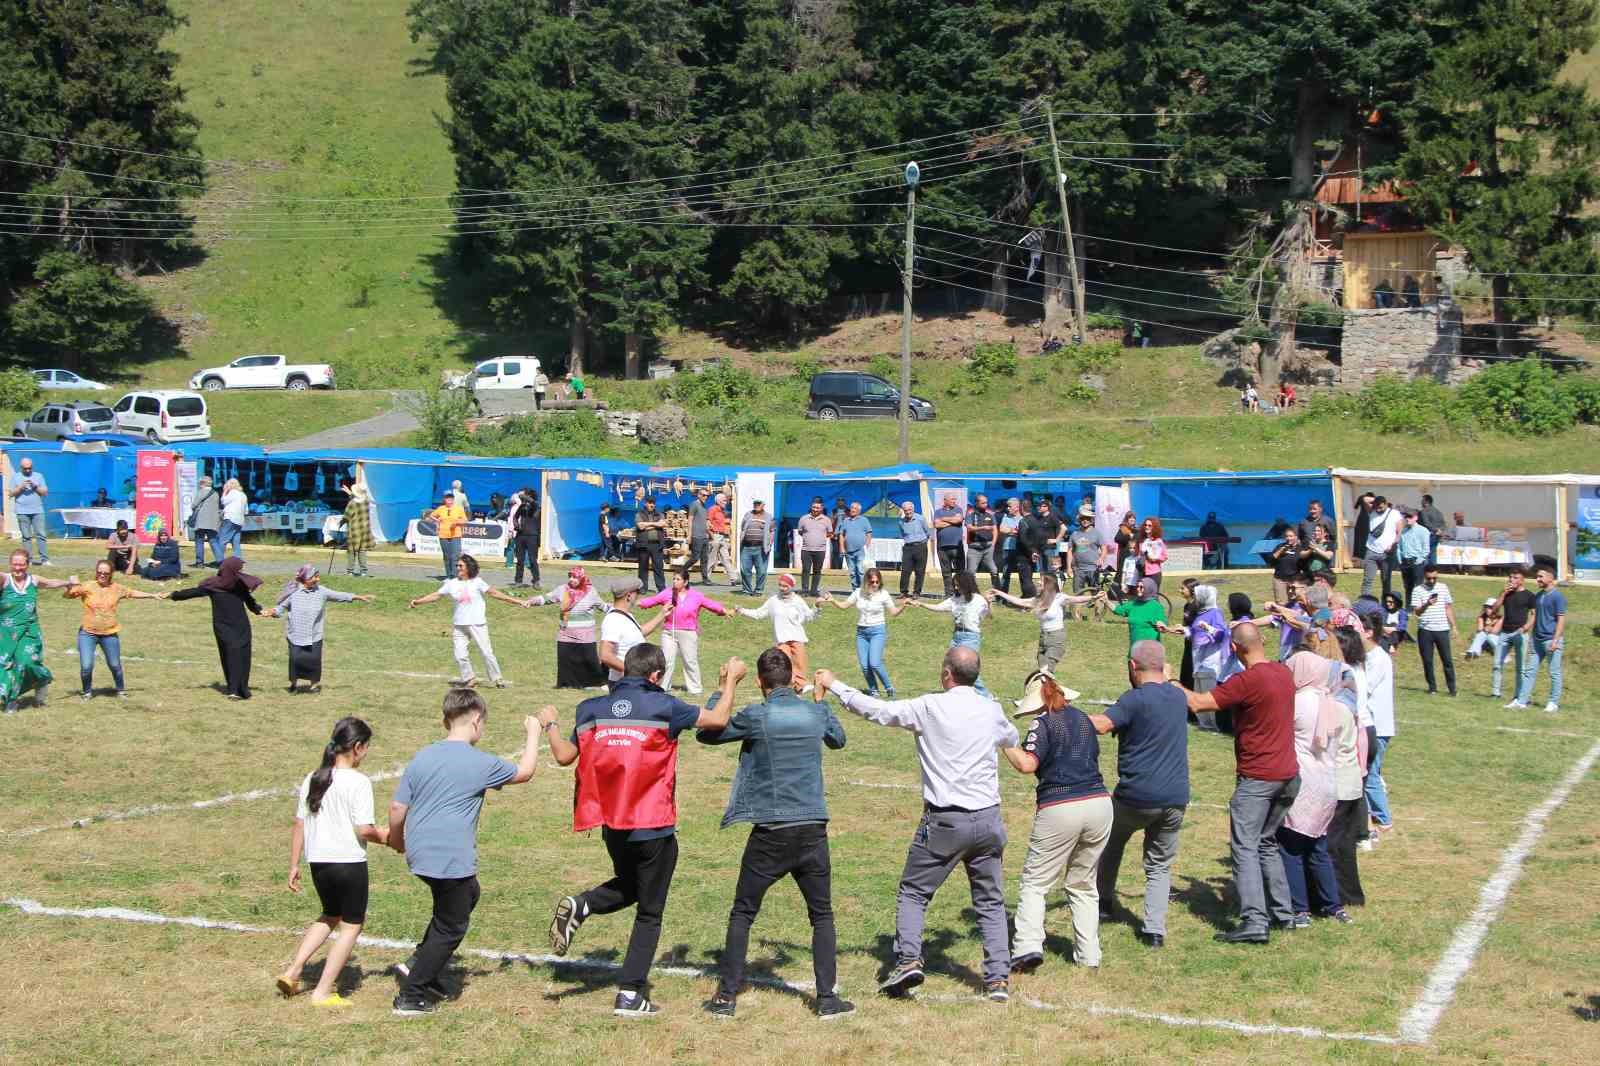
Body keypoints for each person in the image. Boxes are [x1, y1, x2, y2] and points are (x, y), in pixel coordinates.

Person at [543, 646, 745, 1018]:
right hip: (652, 823)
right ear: (655, 676)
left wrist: (550, 724)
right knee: (649, 912)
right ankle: (631, 993)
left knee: (633, 884)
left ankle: (584, 904)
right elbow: (717, 719)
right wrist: (730, 680)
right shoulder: (664, 706)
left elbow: (563, 756)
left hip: (611, 824)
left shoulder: (590, 710)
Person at [817, 647, 1019, 1002]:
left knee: (914, 891)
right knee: (990, 901)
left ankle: (909, 959)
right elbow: (1011, 739)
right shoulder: (991, 710)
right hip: (988, 820)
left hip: (946, 821)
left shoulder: (929, 707)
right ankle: (998, 979)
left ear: (946, 674)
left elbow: (878, 711)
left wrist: (835, 686)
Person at [697, 648, 854, 1020]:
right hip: (812, 828)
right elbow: (838, 739)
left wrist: (724, 686)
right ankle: (827, 998)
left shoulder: (757, 714)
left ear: (759, 682)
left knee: (743, 912)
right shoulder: (815, 712)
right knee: (822, 915)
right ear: (791, 677)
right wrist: (818, 700)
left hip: (770, 831)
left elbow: (707, 733)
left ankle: (727, 997)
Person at [388, 690, 548, 1016]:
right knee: (452, 925)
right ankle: (412, 994)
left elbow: (396, 806)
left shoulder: (423, 756)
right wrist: (533, 733)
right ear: (476, 720)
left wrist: (397, 840)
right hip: (450, 858)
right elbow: (525, 771)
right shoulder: (480, 762)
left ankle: (420, 964)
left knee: (466, 895)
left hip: (420, 853)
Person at [1181, 623, 1300, 943]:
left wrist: (1169, 682)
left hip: (1258, 778)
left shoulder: (1246, 681)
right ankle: (1283, 913)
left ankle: (1254, 921)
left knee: (1245, 846)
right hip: (1289, 775)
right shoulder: (1282, 673)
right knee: (1266, 842)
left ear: (1234, 649)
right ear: (1262, 641)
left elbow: (1198, 703)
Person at [1003, 672, 1112, 973]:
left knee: (1036, 882)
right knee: (1083, 884)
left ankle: (1027, 946)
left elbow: (1027, 764)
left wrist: (1003, 741)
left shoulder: (1042, 723)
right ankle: (1089, 955)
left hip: (1061, 806)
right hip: (1100, 804)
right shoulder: (1084, 720)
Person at [277, 716, 390, 1008]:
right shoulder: (359, 782)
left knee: (329, 914)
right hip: (348, 863)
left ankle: (293, 971)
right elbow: (364, 829)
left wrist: (293, 865)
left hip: (318, 863)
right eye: (366, 747)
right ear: (357, 747)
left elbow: (299, 823)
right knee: (352, 925)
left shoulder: (313, 777)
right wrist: (387, 837)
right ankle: (323, 991)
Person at [1086, 641, 1190, 947]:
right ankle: (1154, 930)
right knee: (1159, 864)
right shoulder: (1178, 696)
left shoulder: (1134, 699)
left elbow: (1103, 725)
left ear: (1133, 667)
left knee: (1110, 842)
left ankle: (1103, 901)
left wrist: (1063, 713)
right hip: (1175, 797)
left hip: (1135, 796)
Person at [1274, 652, 1350, 929]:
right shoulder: (1330, 700)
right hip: (1327, 781)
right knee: (1317, 846)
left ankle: (1299, 908)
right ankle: (1333, 906)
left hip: (1302, 780)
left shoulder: (1298, 701)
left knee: (1291, 846)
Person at [407, 555, 530, 688]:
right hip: (459, 625)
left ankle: (497, 679)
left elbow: (495, 594)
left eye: (461, 566)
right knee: (460, 654)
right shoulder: (451, 583)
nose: (457, 568)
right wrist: (417, 602)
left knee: (486, 652)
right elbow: (436, 595)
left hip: (477, 624)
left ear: (468, 568)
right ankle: (469, 678)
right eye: (457, 566)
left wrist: (519, 602)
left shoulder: (478, 582)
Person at [63, 559, 162, 700]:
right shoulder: (87, 586)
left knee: (115, 665)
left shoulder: (117, 588)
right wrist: (68, 587)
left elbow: (132, 592)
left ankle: (120, 691)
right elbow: (68, 595)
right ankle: (87, 692)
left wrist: (152, 595)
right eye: (99, 572)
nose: (102, 575)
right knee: (86, 666)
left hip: (109, 633)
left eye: (105, 573)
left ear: (111, 574)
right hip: (87, 633)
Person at [169, 557, 265, 700]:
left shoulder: (239, 584)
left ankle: (242, 688)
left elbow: (249, 601)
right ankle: (233, 690)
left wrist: (259, 611)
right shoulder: (213, 585)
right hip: (223, 626)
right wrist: (173, 595)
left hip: (241, 626)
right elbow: (193, 592)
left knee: (243, 656)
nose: (241, 572)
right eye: (239, 569)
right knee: (230, 655)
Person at [269, 565, 375, 694]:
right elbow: (281, 607)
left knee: (314, 660)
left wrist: (357, 597)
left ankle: (313, 686)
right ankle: (294, 685)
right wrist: (272, 612)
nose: (318, 579)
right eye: (314, 577)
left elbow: (338, 595)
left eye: (318, 576)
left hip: (314, 635)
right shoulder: (293, 592)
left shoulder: (322, 591)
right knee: (295, 660)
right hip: (296, 635)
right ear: (305, 579)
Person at [1326, 627, 1370, 904]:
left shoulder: (1345, 675)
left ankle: (1338, 893)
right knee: (1343, 835)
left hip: (1346, 752)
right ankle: (1350, 893)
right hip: (1354, 750)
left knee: (1335, 836)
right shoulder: (1353, 672)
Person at [639, 567, 727, 696]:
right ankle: (663, 687)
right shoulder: (667, 593)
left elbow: (711, 604)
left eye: (678, 579)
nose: (674, 581)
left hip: (688, 632)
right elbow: (652, 600)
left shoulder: (696, 595)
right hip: (669, 632)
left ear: (685, 582)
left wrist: (724, 610)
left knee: (690, 660)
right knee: (666, 660)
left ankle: (695, 689)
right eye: (673, 579)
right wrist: (637, 603)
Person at [904, 570, 994, 697]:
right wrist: (921, 604)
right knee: (951, 665)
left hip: (970, 638)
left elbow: (989, 616)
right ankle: (955, 693)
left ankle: (986, 696)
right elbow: (939, 607)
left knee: (968, 668)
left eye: (958, 585)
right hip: (957, 637)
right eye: (955, 585)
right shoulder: (955, 599)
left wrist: (989, 603)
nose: (956, 587)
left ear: (966, 584)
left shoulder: (978, 599)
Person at [819, 566, 906, 697]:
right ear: (866, 581)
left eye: (877, 582)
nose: (875, 584)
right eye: (872, 582)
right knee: (865, 666)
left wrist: (904, 605)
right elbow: (844, 606)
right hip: (862, 633)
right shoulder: (858, 592)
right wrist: (833, 600)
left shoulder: (883, 594)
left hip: (877, 631)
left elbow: (893, 612)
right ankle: (874, 690)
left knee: (875, 663)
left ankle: (889, 688)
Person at [990, 573, 1094, 675]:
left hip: (1056, 638)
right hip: (1043, 639)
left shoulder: (1059, 598)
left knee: (1046, 671)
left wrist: (1094, 597)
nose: (1038, 582)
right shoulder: (1038, 600)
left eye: (1041, 581)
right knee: (1043, 671)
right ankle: (1048, 691)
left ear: (1048, 584)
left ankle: (1052, 691)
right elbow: (1019, 601)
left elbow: (1077, 599)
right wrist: (999, 593)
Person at [738, 573, 817, 687]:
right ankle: (787, 687)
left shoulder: (798, 600)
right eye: (780, 585)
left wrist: (817, 606)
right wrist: (742, 611)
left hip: (797, 638)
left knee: (800, 663)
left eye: (785, 586)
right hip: (782, 640)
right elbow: (759, 613)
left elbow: (810, 616)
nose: (782, 588)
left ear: (792, 586)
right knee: (784, 665)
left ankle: (800, 687)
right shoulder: (773, 601)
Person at [536, 567, 608, 688]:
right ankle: (566, 684)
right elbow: (546, 598)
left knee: (591, 660)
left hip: (586, 636)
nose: (571, 579)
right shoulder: (562, 590)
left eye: (575, 577)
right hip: (565, 634)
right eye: (570, 576)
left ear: (582, 578)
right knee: (565, 661)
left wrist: (618, 609)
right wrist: (531, 601)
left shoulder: (591, 591)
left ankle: (598, 683)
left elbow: (603, 606)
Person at [1509, 563, 1566, 713]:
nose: (1537, 579)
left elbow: (1561, 620)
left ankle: (1553, 703)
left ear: (1550, 578)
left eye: (1541, 576)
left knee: (1554, 672)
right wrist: (1526, 628)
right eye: (1537, 576)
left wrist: (1555, 640)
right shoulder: (1539, 595)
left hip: (1551, 640)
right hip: (1537, 639)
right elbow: (1535, 616)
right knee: (1529, 671)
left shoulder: (1557, 596)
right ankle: (1521, 701)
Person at [1180, 584, 1230, 730]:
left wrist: (1209, 628)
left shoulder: (1215, 613)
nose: (1194, 599)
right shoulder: (1200, 613)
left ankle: (1215, 724)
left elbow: (1222, 635)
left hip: (1210, 658)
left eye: (1197, 596)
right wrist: (1183, 630)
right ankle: (1204, 723)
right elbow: (1194, 632)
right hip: (1198, 657)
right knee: (1199, 689)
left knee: (1209, 691)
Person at [1410, 564, 1457, 696]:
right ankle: (1432, 687)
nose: (1432, 581)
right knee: (1427, 660)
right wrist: (1427, 604)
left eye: (1434, 578)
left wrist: (1454, 626)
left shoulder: (1443, 588)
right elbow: (1417, 612)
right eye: (1429, 578)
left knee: (1447, 660)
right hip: (1425, 630)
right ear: (1424, 576)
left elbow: (1448, 607)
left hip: (1442, 629)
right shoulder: (1417, 590)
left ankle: (1452, 688)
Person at [1490, 570, 1537, 701]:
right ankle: (1495, 693)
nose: (1511, 580)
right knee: (1497, 664)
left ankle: (1519, 696)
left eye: (1515, 578)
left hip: (1520, 633)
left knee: (1520, 667)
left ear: (1522, 580)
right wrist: (1503, 595)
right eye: (1510, 577)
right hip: (1504, 633)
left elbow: (1534, 614)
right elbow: (1494, 610)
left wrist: (1526, 628)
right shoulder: (1506, 593)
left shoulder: (1529, 596)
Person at [1014, 497, 1057, 600]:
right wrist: (1036, 551)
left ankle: (1031, 599)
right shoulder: (1036, 521)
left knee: (1025, 578)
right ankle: (1026, 597)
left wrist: (1032, 550)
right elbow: (1040, 538)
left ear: (1021, 508)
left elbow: (1023, 539)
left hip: (1024, 554)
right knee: (1029, 576)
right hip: (1034, 554)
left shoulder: (1023, 521)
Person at [9, 457, 49, 565]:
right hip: (22, 511)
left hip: (37, 510)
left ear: (32, 467)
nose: (27, 470)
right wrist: (21, 487)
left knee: (41, 535)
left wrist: (35, 486)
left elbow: (45, 493)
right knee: (26, 537)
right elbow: (11, 494)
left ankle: (45, 559)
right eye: (25, 468)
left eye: (29, 468)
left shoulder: (39, 476)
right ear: (21, 467)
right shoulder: (15, 477)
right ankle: (29, 560)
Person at [1360, 496, 1401, 599]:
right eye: (1376, 507)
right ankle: (1365, 601)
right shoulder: (1372, 511)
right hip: (1371, 550)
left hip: (1387, 553)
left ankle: (1385, 604)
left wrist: (1393, 544)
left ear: (1386, 504)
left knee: (1386, 581)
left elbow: (1399, 532)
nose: (1378, 509)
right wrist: (1376, 500)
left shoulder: (1394, 513)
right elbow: (1364, 499)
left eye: (1381, 507)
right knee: (1367, 580)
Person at [1113, 578, 1167, 652]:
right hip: (1134, 647)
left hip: (1150, 650)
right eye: (1137, 586)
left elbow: (1163, 625)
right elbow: (1118, 610)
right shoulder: (1134, 603)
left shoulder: (1156, 606)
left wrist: (1161, 625)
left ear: (1149, 588)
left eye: (1141, 587)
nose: (1138, 589)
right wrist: (1106, 600)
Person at [796, 497, 834, 597]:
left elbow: (830, 533)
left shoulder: (827, 520)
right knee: (805, 570)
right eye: (814, 507)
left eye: (817, 507)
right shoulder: (803, 518)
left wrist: (819, 538)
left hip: (820, 550)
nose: (815, 509)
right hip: (806, 550)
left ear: (822, 508)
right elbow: (800, 532)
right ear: (811, 507)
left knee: (817, 571)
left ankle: (813, 591)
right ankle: (804, 590)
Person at [931, 492, 966, 596]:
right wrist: (952, 521)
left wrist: (944, 520)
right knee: (946, 572)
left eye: (955, 499)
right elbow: (936, 524)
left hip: (956, 546)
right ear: (945, 500)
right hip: (942, 547)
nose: (954, 501)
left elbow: (959, 519)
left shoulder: (958, 509)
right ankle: (949, 593)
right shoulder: (938, 512)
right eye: (952, 499)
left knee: (959, 571)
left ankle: (960, 592)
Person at [426, 491, 466, 581]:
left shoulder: (458, 509)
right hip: (443, 535)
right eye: (448, 498)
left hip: (455, 534)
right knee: (447, 556)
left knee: (455, 555)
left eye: (451, 498)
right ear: (444, 499)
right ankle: (448, 575)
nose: (449, 500)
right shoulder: (441, 508)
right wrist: (437, 521)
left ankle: (454, 575)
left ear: (453, 499)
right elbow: (431, 515)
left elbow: (464, 520)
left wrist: (456, 522)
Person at [738, 498, 775, 596]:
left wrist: (770, 543)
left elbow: (772, 531)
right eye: (755, 503)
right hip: (746, 547)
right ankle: (747, 590)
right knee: (745, 570)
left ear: (763, 505)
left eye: (759, 503)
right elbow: (743, 528)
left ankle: (758, 590)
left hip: (760, 548)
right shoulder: (748, 514)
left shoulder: (768, 517)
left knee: (761, 571)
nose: (756, 505)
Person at [340, 479, 375, 578]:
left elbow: (346, 516)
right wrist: (349, 493)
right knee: (362, 550)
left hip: (354, 531)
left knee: (352, 551)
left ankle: (350, 571)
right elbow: (358, 498)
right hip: (365, 530)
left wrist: (341, 523)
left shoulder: (352, 504)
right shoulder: (367, 500)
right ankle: (364, 571)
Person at [836, 501, 874, 591]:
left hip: (860, 550)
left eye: (855, 508)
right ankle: (855, 590)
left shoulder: (864, 520)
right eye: (852, 508)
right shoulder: (845, 520)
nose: (853, 510)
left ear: (859, 511)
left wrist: (866, 546)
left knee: (861, 571)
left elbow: (869, 534)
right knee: (852, 572)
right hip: (848, 551)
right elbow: (841, 534)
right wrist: (841, 547)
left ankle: (863, 590)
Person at [897, 499, 931, 598]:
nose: (908, 512)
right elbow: (903, 534)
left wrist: (922, 542)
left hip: (920, 546)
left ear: (913, 509)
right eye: (906, 510)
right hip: (908, 548)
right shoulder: (901, 522)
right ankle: (903, 592)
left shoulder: (921, 519)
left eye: (909, 510)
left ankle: (916, 592)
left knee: (920, 571)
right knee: (905, 570)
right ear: (903, 510)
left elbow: (927, 532)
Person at [633, 497, 668, 593]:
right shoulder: (639, 514)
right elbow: (640, 526)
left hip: (657, 545)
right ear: (645, 503)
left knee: (658, 567)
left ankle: (661, 588)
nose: (652, 505)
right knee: (643, 567)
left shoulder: (659, 514)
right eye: (649, 503)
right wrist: (655, 524)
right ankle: (643, 588)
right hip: (644, 544)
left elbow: (663, 524)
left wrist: (646, 525)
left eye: (653, 503)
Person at [1397, 509, 1431, 604]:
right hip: (1405, 561)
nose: (1407, 519)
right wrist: (1400, 559)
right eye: (1406, 517)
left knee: (1418, 586)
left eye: (1410, 517)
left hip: (1416, 561)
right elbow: (1399, 547)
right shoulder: (1403, 531)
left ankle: (1419, 606)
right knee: (1407, 586)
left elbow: (1426, 548)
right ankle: (1409, 608)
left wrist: (1419, 560)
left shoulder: (1423, 531)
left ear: (1416, 518)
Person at [188, 475, 222, 567]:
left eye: (200, 483)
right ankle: (221, 561)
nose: (199, 485)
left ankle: (199, 562)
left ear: (203, 483)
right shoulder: (216, 493)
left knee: (199, 541)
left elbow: (193, 505)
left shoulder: (201, 492)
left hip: (201, 522)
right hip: (213, 522)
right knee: (213, 541)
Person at [965, 494, 999, 585]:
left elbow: (995, 529)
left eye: (986, 503)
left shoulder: (990, 514)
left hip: (988, 547)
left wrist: (993, 543)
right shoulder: (970, 514)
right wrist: (983, 528)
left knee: (994, 569)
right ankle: (972, 594)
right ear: (977, 503)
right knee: (971, 571)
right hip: (974, 547)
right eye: (983, 503)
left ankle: (998, 594)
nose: (986, 505)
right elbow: (969, 528)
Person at [1066, 513, 1102, 596]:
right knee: (1077, 595)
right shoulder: (1074, 534)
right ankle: (1078, 609)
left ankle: (1096, 609)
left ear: (1091, 520)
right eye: (1082, 519)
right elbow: (1070, 551)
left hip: (1093, 569)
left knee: (1096, 595)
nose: (1085, 520)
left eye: (1087, 518)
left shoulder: (1097, 533)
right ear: (1079, 520)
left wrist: (1101, 558)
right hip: (1078, 569)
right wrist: (1068, 567)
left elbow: (1104, 548)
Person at [996, 498, 1026, 593]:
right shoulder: (1005, 517)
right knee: (1005, 573)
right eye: (1007, 506)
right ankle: (1003, 596)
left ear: (1017, 507)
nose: (1008, 508)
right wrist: (1014, 531)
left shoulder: (1023, 519)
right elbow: (1001, 529)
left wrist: (1010, 531)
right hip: (1008, 549)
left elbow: (1023, 533)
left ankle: (1025, 595)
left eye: (1010, 506)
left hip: (1020, 550)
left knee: (1023, 574)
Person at [1269, 527, 1302, 606]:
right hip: (1280, 579)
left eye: (1291, 536)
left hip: (1294, 580)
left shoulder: (1300, 548)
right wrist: (1280, 551)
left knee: (1295, 603)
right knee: (1281, 604)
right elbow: (1271, 560)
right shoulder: (1280, 547)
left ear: (1296, 537)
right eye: (1286, 536)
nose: (1288, 538)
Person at [218, 477, 248, 561]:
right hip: (240, 520)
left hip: (230, 518)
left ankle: (219, 559)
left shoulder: (232, 493)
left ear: (230, 486)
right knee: (236, 541)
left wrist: (224, 492)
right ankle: (238, 558)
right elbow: (246, 511)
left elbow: (223, 501)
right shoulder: (243, 495)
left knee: (222, 539)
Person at [706, 492, 734, 583]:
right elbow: (707, 523)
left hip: (722, 536)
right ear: (718, 501)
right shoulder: (712, 509)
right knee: (712, 558)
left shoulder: (722, 511)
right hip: (715, 535)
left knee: (726, 557)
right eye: (724, 500)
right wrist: (712, 536)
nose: (726, 502)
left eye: (726, 500)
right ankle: (706, 577)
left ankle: (733, 578)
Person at [687, 487, 712, 586]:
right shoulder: (694, 504)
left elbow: (705, 521)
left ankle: (705, 579)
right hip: (696, 536)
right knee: (695, 558)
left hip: (704, 536)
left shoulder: (704, 506)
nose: (705, 497)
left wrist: (709, 531)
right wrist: (689, 535)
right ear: (698, 495)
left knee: (704, 559)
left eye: (707, 496)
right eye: (703, 495)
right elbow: (690, 520)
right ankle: (681, 571)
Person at [1136, 518, 1167, 591]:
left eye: (1150, 525)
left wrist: (1155, 559)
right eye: (1145, 525)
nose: (1147, 527)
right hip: (1142, 572)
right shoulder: (1141, 541)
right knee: (1143, 595)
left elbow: (1164, 556)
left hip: (1154, 572)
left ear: (1154, 527)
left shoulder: (1158, 541)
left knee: (1153, 596)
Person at [1112, 510, 1139, 594]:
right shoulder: (1123, 528)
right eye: (1130, 518)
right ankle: (1118, 593)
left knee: (1133, 574)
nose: (1132, 519)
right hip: (1124, 555)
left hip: (1134, 556)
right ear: (1126, 519)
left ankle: (1132, 592)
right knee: (1122, 574)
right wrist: (1128, 535)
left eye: (1133, 518)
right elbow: (1117, 539)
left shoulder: (1136, 530)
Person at [1417, 493, 1447, 566]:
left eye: (1422, 501)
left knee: (1425, 553)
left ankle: (1426, 570)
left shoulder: (1424, 511)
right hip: (1436, 535)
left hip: (1429, 534)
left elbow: (1426, 524)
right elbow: (1443, 523)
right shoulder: (1438, 511)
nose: (1421, 502)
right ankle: (1433, 569)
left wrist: (1436, 530)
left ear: (1426, 502)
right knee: (1433, 553)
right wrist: (1440, 531)